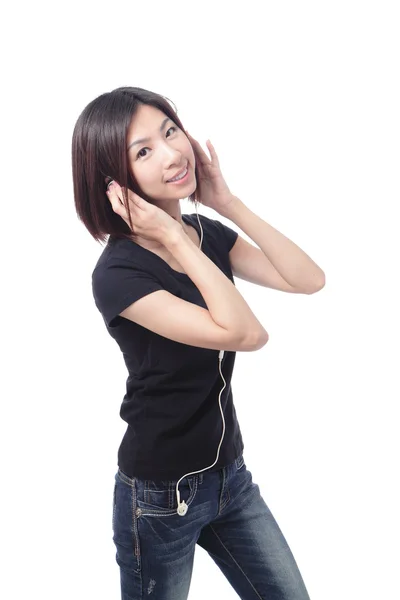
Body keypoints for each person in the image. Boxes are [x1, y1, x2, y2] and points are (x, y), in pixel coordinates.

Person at [72, 86, 322, 599]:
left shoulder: (205, 233)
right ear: (113, 186)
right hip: (159, 497)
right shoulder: (119, 274)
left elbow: (308, 278)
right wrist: (168, 236)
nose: (171, 154)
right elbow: (246, 334)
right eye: (143, 151)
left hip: (231, 479)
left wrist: (227, 204)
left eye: (170, 132)